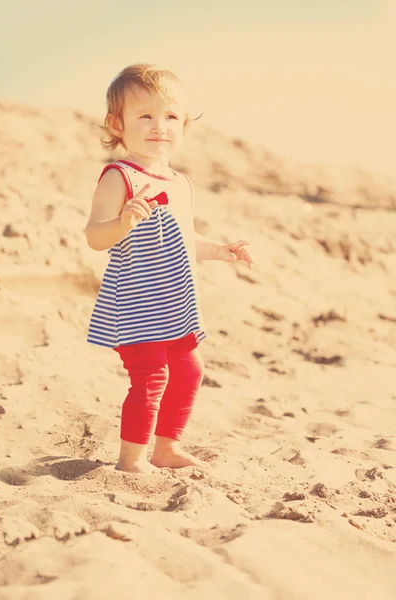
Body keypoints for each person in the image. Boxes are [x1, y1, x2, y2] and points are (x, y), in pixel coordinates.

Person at [85, 64, 253, 473]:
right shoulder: (119, 177)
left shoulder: (180, 182)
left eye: (171, 116)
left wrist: (220, 250)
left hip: (175, 306)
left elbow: (183, 239)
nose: (159, 126)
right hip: (137, 305)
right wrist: (123, 222)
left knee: (189, 372)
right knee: (151, 378)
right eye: (144, 115)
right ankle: (132, 460)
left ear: (184, 125)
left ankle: (165, 447)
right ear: (117, 123)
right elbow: (94, 236)